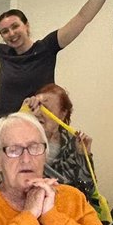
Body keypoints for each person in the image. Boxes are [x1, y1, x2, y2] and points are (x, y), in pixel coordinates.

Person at [25, 83, 102, 216]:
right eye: (38, 106)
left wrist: (83, 156)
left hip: (64, 212)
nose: (39, 112)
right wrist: (21, 113)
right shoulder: (20, 137)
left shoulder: (73, 143)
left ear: (62, 114)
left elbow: (87, 190)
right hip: (25, 208)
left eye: (47, 108)